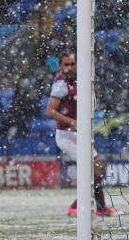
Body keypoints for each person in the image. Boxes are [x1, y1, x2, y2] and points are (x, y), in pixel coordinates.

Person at [46, 53, 118, 217]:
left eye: (72, 64)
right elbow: (50, 111)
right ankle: (82, 206)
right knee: (91, 168)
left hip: (79, 134)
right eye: (66, 64)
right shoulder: (61, 84)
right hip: (66, 136)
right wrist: (72, 121)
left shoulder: (79, 81)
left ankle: (98, 207)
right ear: (60, 65)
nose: (69, 67)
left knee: (99, 168)